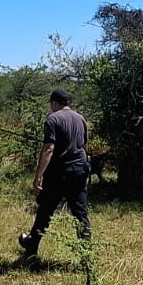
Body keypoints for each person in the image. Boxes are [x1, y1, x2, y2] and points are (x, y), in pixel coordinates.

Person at [17, 89, 91, 258]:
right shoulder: (81, 119)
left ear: (55, 102)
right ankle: (87, 255)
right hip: (79, 170)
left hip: (59, 173)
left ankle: (31, 247)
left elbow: (49, 149)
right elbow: (84, 147)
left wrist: (38, 176)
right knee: (80, 214)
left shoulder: (53, 119)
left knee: (45, 211)